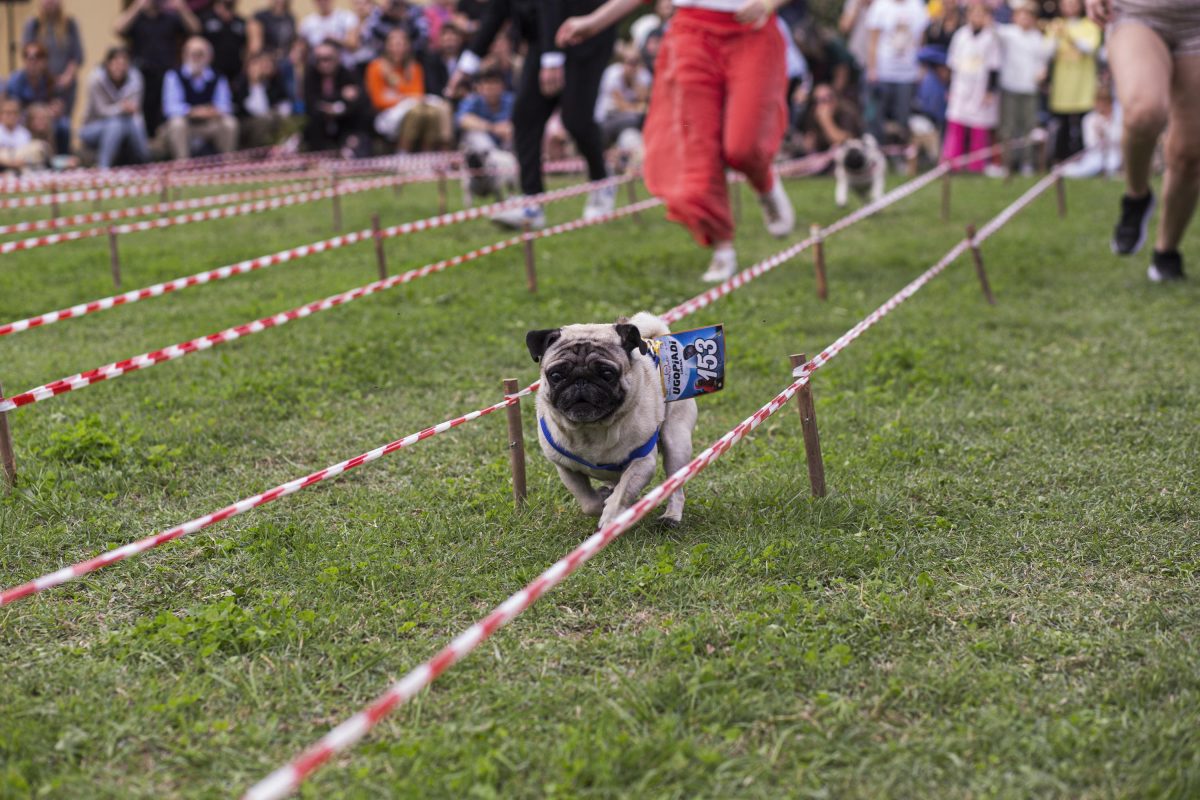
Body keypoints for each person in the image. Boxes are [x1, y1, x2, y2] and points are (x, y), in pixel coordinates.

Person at [557, 0, 796, 282]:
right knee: (697, 149)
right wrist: (594, 21)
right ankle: (722, 246)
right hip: (691, 35)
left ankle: (763, 181)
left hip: (751, 30)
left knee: (742, 146)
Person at [445, 0, 619, 230]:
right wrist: (465, 68)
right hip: (543, 38)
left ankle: (601, 181)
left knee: (576, 119)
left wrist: (552, 60)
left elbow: (552, 5)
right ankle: (532, 202)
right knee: (524, 116)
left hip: (585, 34)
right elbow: (497, 13)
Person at [1090, 0, 1200, 281]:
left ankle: (1166, 252)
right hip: (1137, 13)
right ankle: (1136, 195)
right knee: (1144, 112)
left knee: (1189, 155)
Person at [115, 0, 202, 138]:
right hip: (141, 75)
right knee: (141, 115)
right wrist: (137, 5)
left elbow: (196, 29)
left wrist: (182, 8)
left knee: (163, 115)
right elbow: (118, 29)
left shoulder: (170, 17)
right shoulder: (138, 17)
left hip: (166, 74)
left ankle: (160, 146)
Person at [367, 28, 454, 151]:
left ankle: (427, 155)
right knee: (417, 112)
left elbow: (417, 95)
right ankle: (403, 153)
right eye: (394, 45)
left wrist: (396, 82)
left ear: (408, 47)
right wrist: (403, 96)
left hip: (410, 107)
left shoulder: (414, 67)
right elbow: (378, 101)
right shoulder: (376, 67)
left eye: (402, 44)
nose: (398, 49)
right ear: (387, 46)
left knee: (431, 113)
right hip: (387, 115)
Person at [995, 0, 1054, 175]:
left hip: (1029, 88)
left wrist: (1042, 73)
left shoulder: (1038, 38)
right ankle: (1007, 162)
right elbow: (992, 29)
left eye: (1028, 16)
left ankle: (1027, 162)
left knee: (1029, 127)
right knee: (1008, 127)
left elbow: (1043, 61)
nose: (1025, 19)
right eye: (1021, 15)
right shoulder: (1007, 33)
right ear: (1015, 17)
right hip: (1010, 86)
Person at [942, 1, 1001, 173]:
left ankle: (977, 165)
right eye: (973, 13)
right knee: (956, 125)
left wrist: (990, 91)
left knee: (979, 128)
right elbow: (952, 64)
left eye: (981, 14)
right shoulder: (960, 35)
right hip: (961, 86)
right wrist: (949, 88)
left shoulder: (991, 38)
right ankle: (952, 162)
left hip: (980, 88)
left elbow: (994, 67)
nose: (977, 17)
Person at [20, 0, 83, 154]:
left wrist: (68, 76)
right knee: (41, 120)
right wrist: (45, 75)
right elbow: (29, 52)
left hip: (65, 85)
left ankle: (63, 155)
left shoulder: (69, 23)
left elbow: (77, 55)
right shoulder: (33, 24)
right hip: (42, 80)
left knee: (62, 121)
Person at [162, 36, 239, 159]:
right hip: (186, 124)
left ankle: (227, 163)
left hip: (210, 123)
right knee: (177, 123)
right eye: (192, 54)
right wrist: (194, 111)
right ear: (184, 55)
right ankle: (183, 164)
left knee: (229, 123)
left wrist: (211, 111)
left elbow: (226, 106)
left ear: (209, 56)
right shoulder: (173, 76)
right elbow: (170, 108)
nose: (196, 58)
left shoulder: (218, 77)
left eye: (200, 54)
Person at [864, 0, 928, 144]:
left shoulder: (917, 6)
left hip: (907, 74)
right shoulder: (880, 6)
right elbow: (873, 41)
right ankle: (878, 148)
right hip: (883, 72)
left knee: (903, 116)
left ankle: (901, 151)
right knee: (877, 115)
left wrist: (921, 67)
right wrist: (872, 68)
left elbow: (921, 41)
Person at [1046, 0, 1101, 162]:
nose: (1069, 7)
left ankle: (1084, 159)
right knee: (1063, 124)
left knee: (1084, 123)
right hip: (1062, 85)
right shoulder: (1055, 25)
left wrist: (1069, 36)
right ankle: (1061, 159)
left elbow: (1091, 48)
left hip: (1083, 84)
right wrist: (1056, 37)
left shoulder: (1090, 25)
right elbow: (1047, 52)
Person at [80, 47, 151, 168]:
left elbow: (136, 111)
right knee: (116, 124)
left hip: (127, 125)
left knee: (134, 124)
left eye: (124, 64)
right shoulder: (95, 79)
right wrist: (121, 108)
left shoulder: (136, 78)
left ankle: (146, 164)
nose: (120, 67)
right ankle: (103, 168)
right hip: (92, 127)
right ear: (107, 64)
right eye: (116, 63)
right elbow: (100, 111)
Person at [303, 40, 371, 155]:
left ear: (338, 57)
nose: (324, 63)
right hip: (321, 125)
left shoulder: (348, 73)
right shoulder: (311, 76)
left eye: (328, 59)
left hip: (346, 123)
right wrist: (339, 96)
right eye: (319, 60)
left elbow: (360, 101)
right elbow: (311, 102)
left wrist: (338, 108)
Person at [6, 42, 70, 155]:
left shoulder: (50, 80)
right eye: (28, 57)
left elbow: (58, 103)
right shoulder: (15, 81)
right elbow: (12, 109)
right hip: (23, 120)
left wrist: (54, 110)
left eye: (37, 57)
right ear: (24, 60)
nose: (33, 62)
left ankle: (61, 159)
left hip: (47, 120)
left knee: (63, 125)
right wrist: (34, 115)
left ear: (44, 61)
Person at [594, 42, 652, 147]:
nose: (633, 67)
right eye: (630, 62)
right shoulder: (612, 74)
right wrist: (640, 108)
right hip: (606, 120)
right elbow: (622, 106)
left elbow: (644, 99)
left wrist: (634, 81)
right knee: (635, 118)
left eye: (636, 62)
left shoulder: (643, 75)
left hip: (628, 121)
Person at [233, 50, 291, 147]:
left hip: (267, 118)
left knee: (280, 117)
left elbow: (283, 102)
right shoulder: (239, 85)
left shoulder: (270, 84)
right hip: (244, 121)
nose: (258, 69)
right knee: (265, 120)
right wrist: (254, 83)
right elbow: (254, 110)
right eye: (254, 66)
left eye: (260, 66)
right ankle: (258, 152)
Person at [456, 67, 515, 147]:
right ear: (479, 87)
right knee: (475, 135)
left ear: (503, 86)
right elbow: (463, 120)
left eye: (495, 82)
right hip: (482, 149)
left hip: (506, 145)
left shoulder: (511, 100)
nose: (491, 87)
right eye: (487, 83)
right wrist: (493, 128)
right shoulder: (473, 100)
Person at [201, 0, 249, 82]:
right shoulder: (206, 19)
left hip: (235, 73)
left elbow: (246, 48)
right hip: (210, 71)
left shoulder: (241, 22)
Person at [0, 98, 50, 173]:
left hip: (21, 168)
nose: (11, 116)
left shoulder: (24, 133)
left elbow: (28, 155)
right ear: (1, 115)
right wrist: (10, 163)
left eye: (14, 113)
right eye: (8, 113)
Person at [422, 21, 466, 97]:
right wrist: (450, 93)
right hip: (440, 99)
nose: (449, 37)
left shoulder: (466, 58)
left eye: (453, 34)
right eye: (445, 35)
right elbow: (432, 87)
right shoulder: (432, 60)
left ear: (460, 39)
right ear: (440, 40)